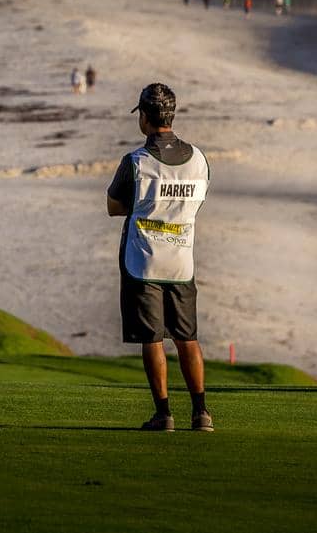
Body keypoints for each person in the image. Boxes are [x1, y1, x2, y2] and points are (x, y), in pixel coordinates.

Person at [106, 84, 213, 432]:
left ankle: (164, 414)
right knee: (187, 337)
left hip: (143, 260)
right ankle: (201, 413)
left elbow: (113, 206)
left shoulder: (136, 161)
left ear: (144, 116)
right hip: (182, 259)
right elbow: (197, 201)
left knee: (152, 338)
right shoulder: (199, 159)